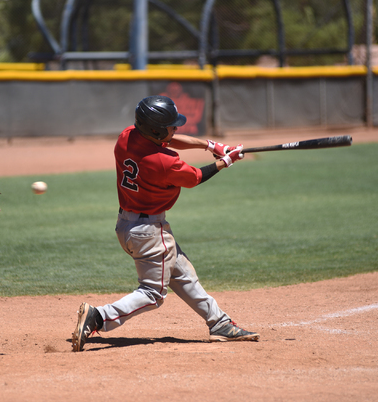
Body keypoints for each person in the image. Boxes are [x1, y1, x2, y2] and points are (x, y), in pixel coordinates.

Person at [71, 95, 259, 352]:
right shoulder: (164, 162)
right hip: (149, 233)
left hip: (128, 226)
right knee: (153, 294)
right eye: (171, 126)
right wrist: (226, 160)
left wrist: (212, 145)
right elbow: (195, 177)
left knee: (183, 276)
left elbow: (169, 139)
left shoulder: (127, 136)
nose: (176, 129)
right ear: (157, 131)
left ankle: (220, 324)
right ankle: (99, 316)